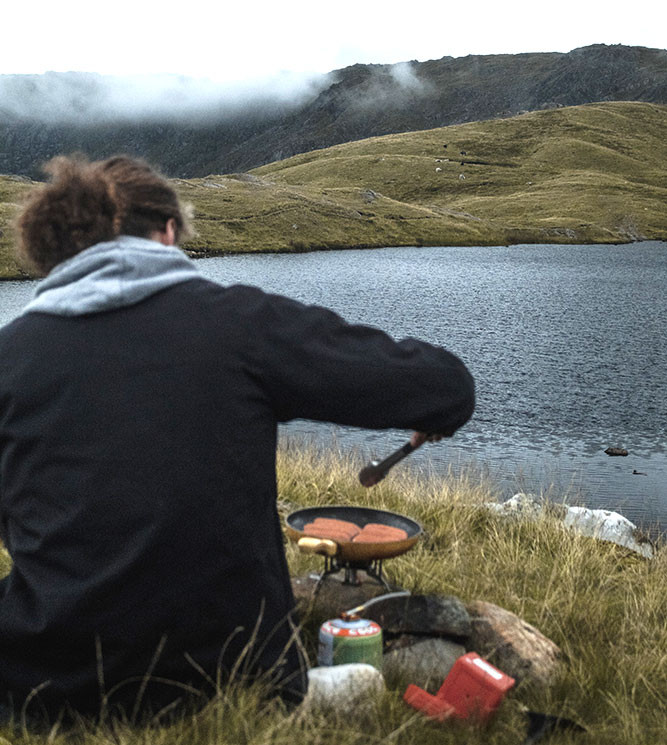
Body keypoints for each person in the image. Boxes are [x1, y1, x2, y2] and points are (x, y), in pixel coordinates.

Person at [0, 155, 475, 725]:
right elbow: (446, 388)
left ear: (56, 248)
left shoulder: (12, 356)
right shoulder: (238, 325)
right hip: (233, 672)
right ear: (169, 233)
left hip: (43, 685)